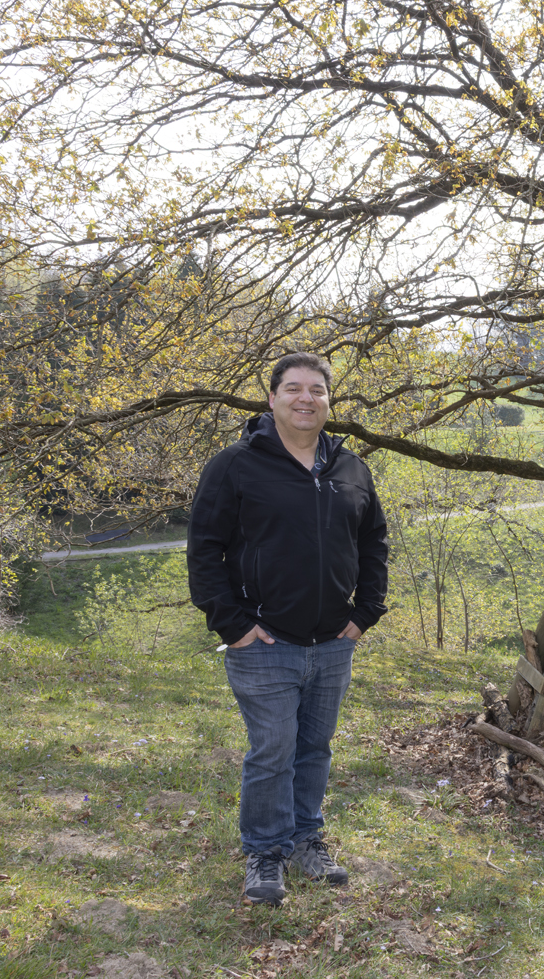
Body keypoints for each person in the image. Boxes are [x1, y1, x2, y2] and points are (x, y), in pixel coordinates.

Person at [187, 352, 388, 905]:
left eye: (316, 390)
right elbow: (204, 550)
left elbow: (374, 543)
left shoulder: (352, 469)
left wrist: (364, 612)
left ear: (328, 400)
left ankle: (305, 839)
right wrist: (233, 624)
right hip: (263, 640)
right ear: (271, 398)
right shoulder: (235, 465)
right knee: (272, 748)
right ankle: (265, 852)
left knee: (314, 747)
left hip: (332, 644)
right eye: (293, 388)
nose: (306, 398)